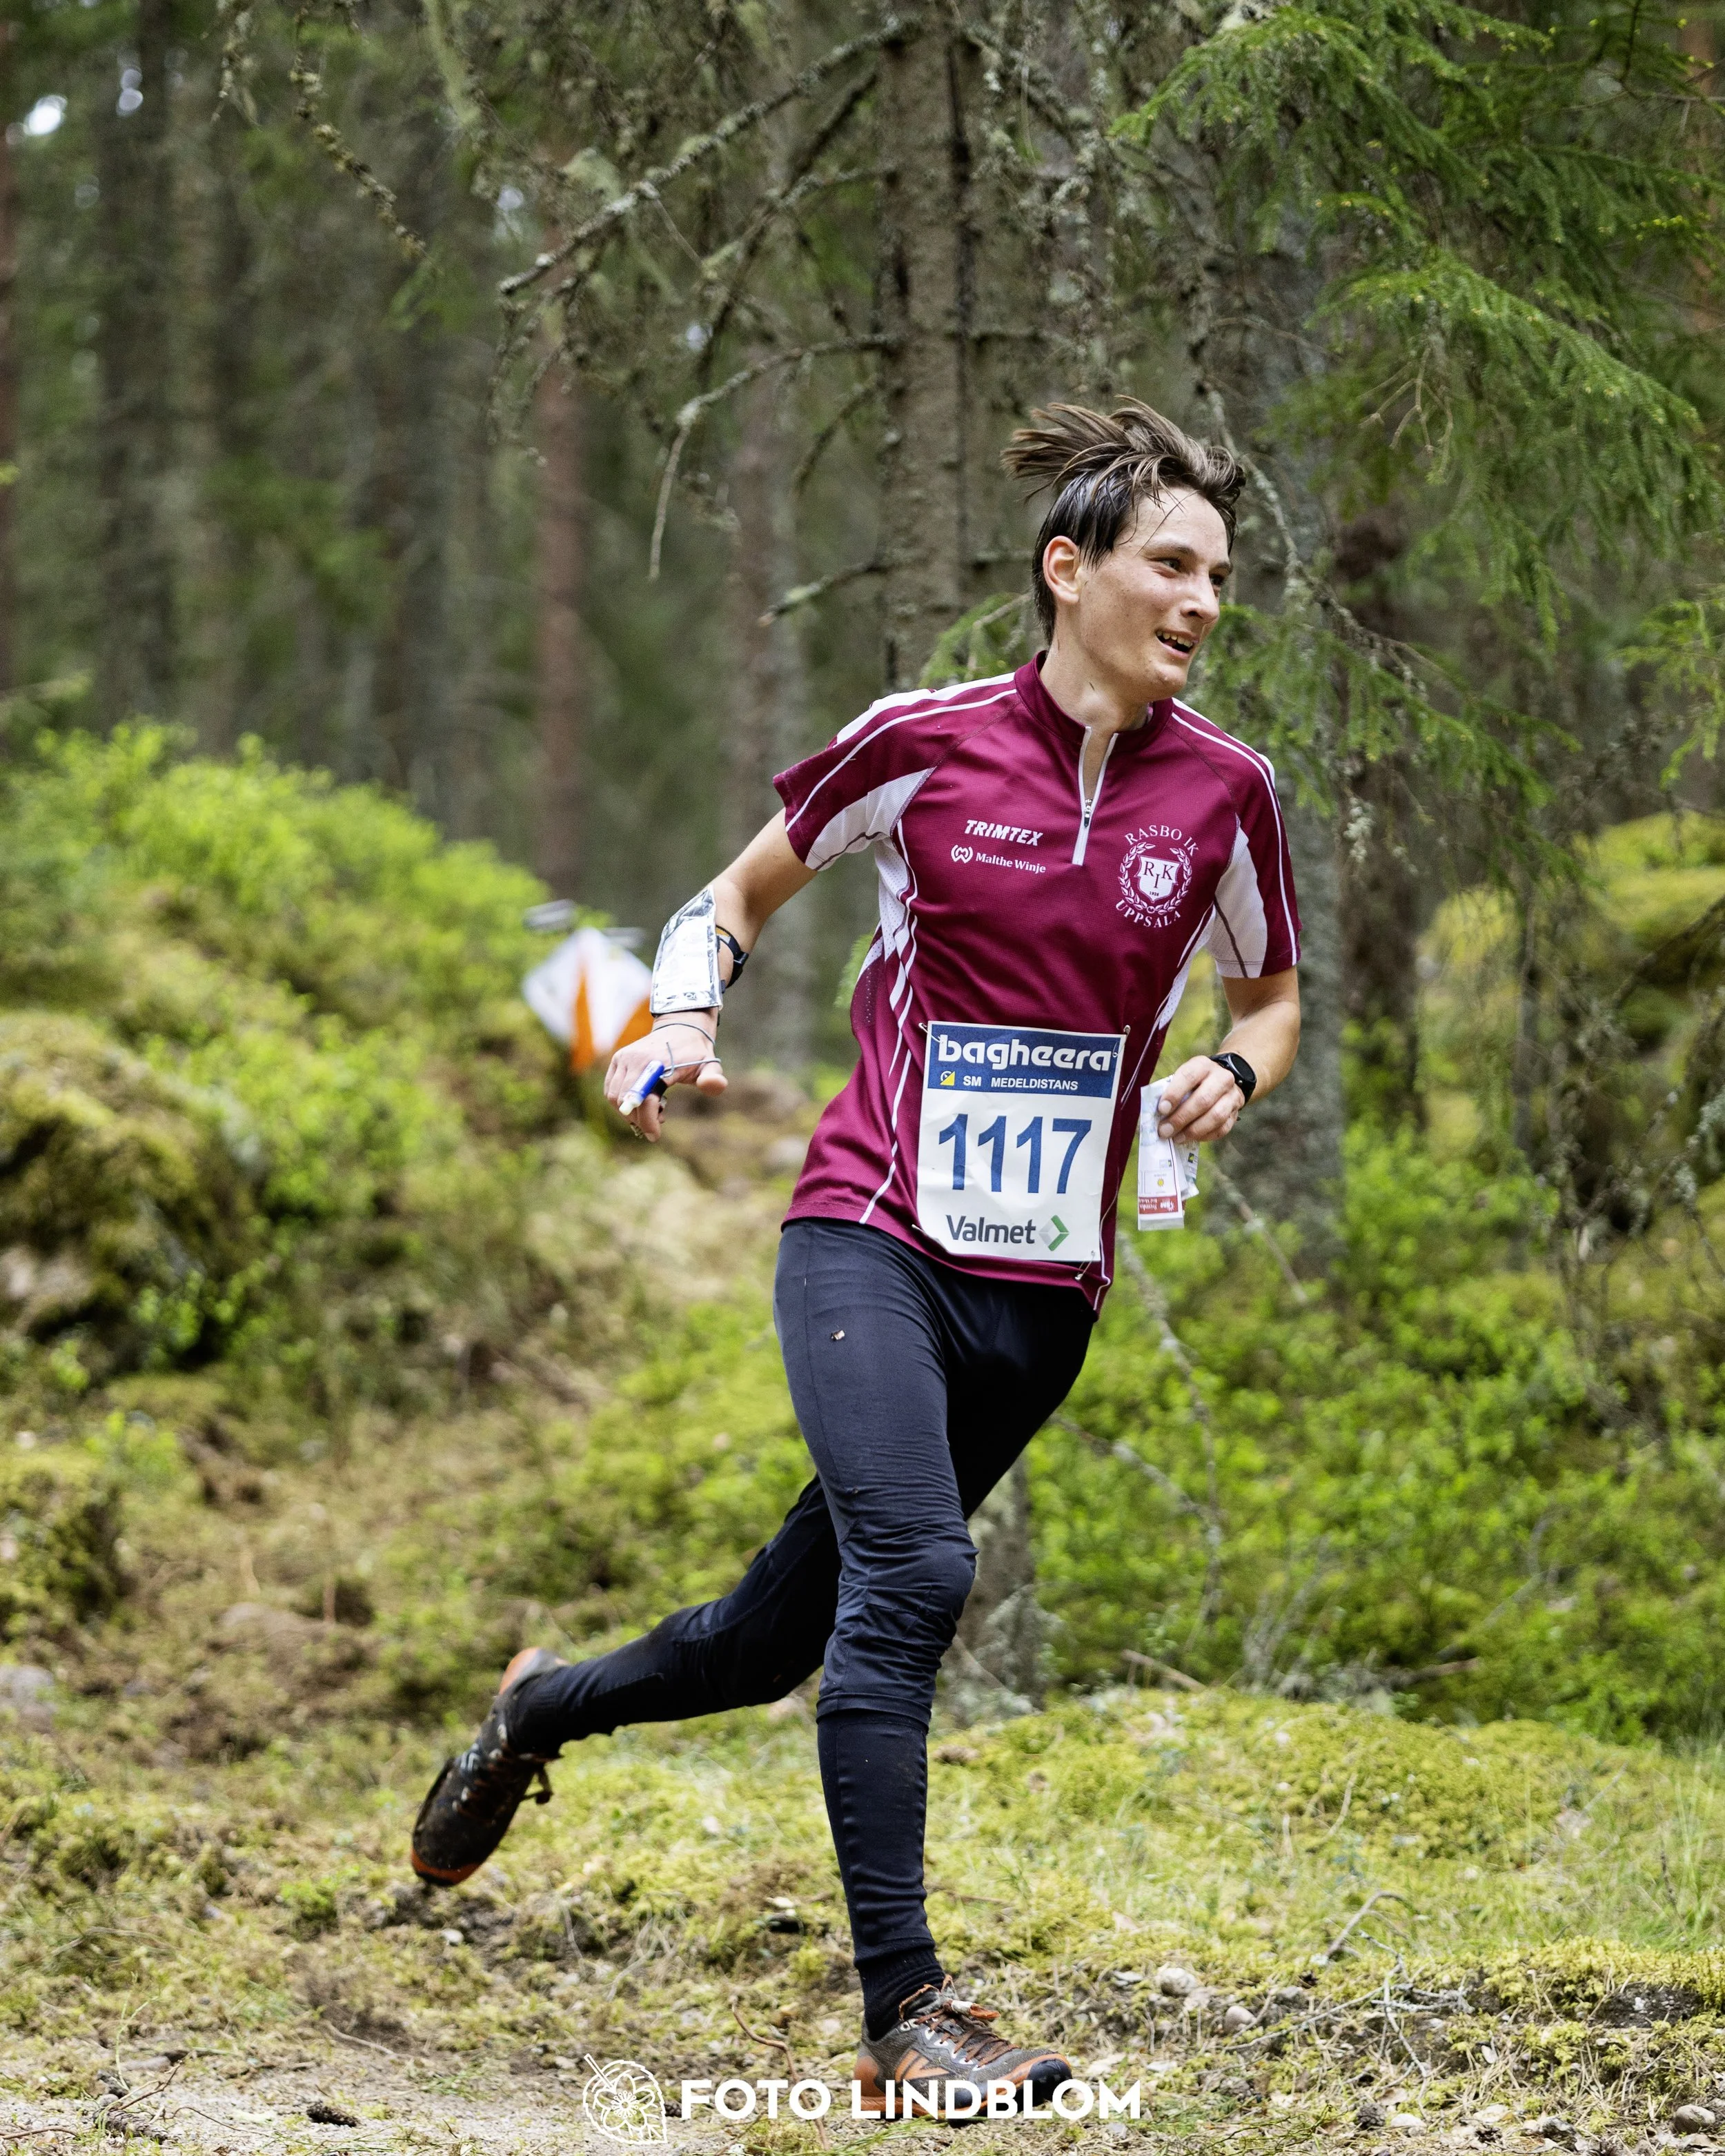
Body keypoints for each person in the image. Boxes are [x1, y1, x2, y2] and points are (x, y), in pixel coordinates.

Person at [411, 399, 1303, 2112]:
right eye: (1169, 565)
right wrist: (674, 1018)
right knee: (915, 1577)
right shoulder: (924, 742)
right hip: (867, 1232)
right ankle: (907, 2014)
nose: (1200, 602)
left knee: (764, 1639)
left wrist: (1233, 1070)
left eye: (1220, 578)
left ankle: (532, 1712)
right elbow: (728, 897)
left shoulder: (1225, 795)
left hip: (1044, 1294)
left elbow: (1272, 993)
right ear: (1071, 570)